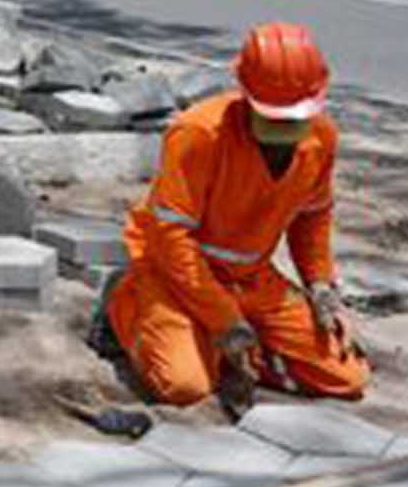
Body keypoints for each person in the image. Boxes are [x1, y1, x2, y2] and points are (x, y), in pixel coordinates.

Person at [102, 22, 368, 411]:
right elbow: (172, 236)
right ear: (246, 95)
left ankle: (234, 350)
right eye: (274, 117)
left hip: (250, 279)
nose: (287, 128)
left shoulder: (321, 138)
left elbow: (312, 218)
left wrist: (322, 288)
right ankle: (123, 304)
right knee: (185, 386)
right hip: (175, 272)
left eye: (296, 117)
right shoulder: (199, 133)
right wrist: (225, 321)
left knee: (347, 378)